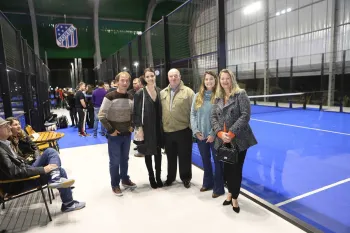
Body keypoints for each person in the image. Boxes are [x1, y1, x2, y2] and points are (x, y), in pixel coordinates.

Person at [0, 117, 85, 212]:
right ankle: (66, 199)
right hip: (19, 183)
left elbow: (32, 147)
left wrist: (36, 161)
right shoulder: (2, 149)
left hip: (25, 171)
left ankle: (56, 181)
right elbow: (15, 172)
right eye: (5, 126)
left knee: (51, 154)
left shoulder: (5, 144)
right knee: (57, 165)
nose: (8, 127)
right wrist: (43, 169)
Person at [211, 69, 257, 213]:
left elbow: (245, 116)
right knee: (227, 169)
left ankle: (235, 197)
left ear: (232, 79)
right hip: (222, 140)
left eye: (227, 78)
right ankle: (230, 192)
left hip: (239, 139)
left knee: (236, 170)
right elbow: (213, 117)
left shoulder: (240, 94)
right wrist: (219, 133)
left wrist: (230, 134)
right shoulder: (217, 97)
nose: (224, 81)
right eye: (222, 79)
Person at [98, 72, 137, 196]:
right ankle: (115, 185)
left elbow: (133, 114)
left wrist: (132, 127)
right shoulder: (109, 96)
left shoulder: (131, 97)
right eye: (122, 80)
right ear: (116, 82)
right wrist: (111, 130)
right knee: (115, 161)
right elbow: (101, 115)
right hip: (114, 136)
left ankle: (125, 179)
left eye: (127, 81)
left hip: (127, 135)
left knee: (125, 159)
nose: (125, 83)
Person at [190, 71, 224, 198]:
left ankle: (219, 188)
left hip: (215, 136)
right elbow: (192, 114)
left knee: (217, 161)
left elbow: (221, 117)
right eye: (206, 79)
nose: (208, 82)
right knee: (205, 160)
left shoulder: (219, 96)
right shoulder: (197, 96)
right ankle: (208, 183)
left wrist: (212, 133)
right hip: (201, 136)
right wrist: (196, 131)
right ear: (203, 82)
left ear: (215, 81)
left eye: (211, 79)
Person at [160, 68, 194, 188]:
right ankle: (171, 177)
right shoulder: (163, 93)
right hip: (168, 131)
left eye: (175, 76)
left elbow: (193, 111)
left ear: (180, 77)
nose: (173, 78)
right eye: (171, 76)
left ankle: (185, 178)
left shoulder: (188, 92)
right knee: (170, 157)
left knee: (185, 156)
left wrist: (190, 128)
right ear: (168, 78)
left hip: (183, 130)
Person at [133, 68, 163, 189]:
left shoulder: (159, 91)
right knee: (148, 153)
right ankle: (151, 177)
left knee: (158, 153)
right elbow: (135, 112)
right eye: (148, 77)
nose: (150, 78)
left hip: (158, 128)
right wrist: (139, 128)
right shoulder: (140, 93)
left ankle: (158, 176)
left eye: (152, 76)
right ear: (144, 79)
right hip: (146, 128)